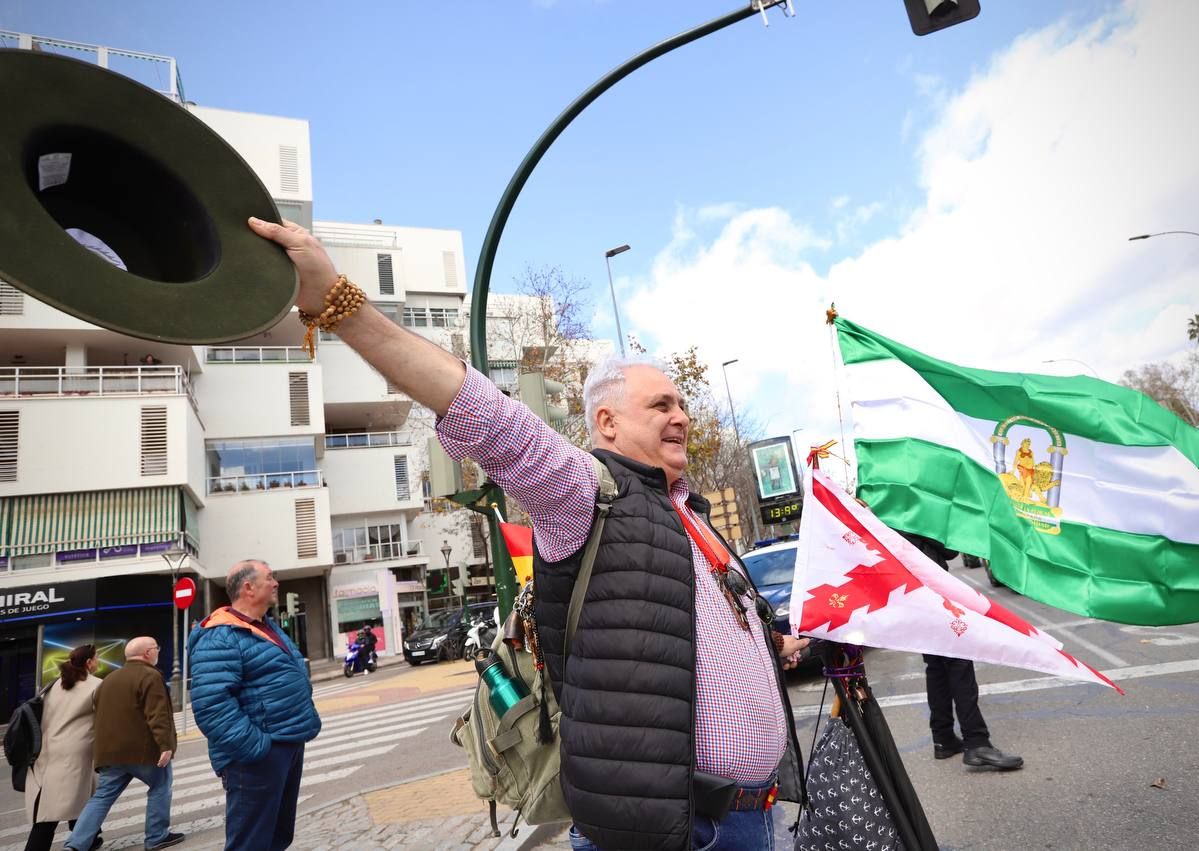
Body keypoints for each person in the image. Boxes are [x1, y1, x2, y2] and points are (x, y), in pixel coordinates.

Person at [248, 217, 810, 850]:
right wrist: (338, 305)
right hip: (672, 831)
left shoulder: (691, 512)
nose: (681, 416)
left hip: (751, 816)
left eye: (681, 404)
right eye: (661, 406)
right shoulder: (584, 491)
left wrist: (768, 646)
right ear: (606, 421)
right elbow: (481, 410)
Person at [188, 559, 321, 851]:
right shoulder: (220, 635)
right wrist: (258, 748)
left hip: (287, 742)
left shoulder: (265, 625)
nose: (275, 583)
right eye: (269, 578)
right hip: (257, 756)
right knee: (250, 843)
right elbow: (211, 705)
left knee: (276, 837)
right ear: (248, 587)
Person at [900, 533, 1024, 772]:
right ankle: (976, 742)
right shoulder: (911, 503)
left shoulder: (885, 504)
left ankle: (943, 737)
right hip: (929, 588)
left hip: (911, 591)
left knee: (936, 664)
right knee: (958, 661)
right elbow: (948, 549)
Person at [63, 638, 184, 851]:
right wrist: (166, 745)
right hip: (142, 751)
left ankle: (75, 844)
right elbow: (158, 714)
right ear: (147, 653)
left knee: (102, 797)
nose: (157, 652)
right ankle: (156, 836)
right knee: (160, 786)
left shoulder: (108, 679)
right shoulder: (150, 675)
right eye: (156, 648)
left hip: (109, 754)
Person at [23, 645, 101, 851]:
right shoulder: (96, 685)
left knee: (69, 800)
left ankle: (90, 838)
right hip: (76, 753)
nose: (99, 662)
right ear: (89, 663)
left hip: (47, 750)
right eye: (97, 658)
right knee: (54, 812)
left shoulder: (54, 685)